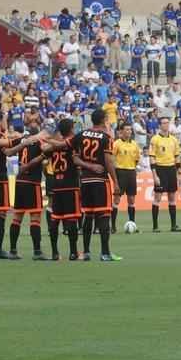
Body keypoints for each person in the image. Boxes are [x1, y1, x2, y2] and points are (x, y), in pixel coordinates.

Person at [72, 109, 120, 261]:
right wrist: (116, 182)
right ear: (104, 120)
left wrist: (88, 166)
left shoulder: (81, 135)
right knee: (104, 215)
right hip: (100, 181)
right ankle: (105, 253)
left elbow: (75, 158)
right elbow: (108, 161)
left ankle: (86, 252)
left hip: (85, 181)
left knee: (88, 215)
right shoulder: (106, 137)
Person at [6, 110, 48, 259]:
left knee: (17, 217)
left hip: (19, 182)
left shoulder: (22, 140)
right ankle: (37, 252)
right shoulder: (40, 142)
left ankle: (12, 251)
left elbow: (8, 151)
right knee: (35, 218)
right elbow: (45, 151)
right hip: (32, 183)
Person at [42, 119, 82, 260]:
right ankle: (73, 252)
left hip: (56, 184)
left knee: (55, 218)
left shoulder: (53, 146)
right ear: (71, 129)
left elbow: (45, 150)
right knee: (71, 219)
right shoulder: (73, 142)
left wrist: (50, 141)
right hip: (70, 183)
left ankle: (54, 253)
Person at [0, 111, 21, 258]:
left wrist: (23, 142)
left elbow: (8, 152)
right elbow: (5, 146)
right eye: (5, 120)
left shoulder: (0, 135)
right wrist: (23, 140)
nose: (7, 123)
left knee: (1, 214)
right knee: (1, 213)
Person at [149, 117, 181, 232]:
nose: (166, 125)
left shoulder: (174, 139)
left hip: (171, 169)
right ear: (160, 125)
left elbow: (177, 156)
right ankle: (155, 226)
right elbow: (152, 157)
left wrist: (179, 172)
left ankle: (173, 225)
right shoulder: (155, 139)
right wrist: (154, 175)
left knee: (172, 197)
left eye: (168, 123)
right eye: (164, 123)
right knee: (157, 197)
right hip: (160, 169)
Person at [111, 121, 141, 234]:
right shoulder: (116, 143)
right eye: (126, 129)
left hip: (131, 172)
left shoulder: (134, 144)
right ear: (121, 131)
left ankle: (132, 223)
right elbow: (112, 159)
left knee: (131, 199)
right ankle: (113, 226)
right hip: (120, 172)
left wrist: (133, 168)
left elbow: (137, 159)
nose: (129, 131)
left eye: (130, 129)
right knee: (117, 199)